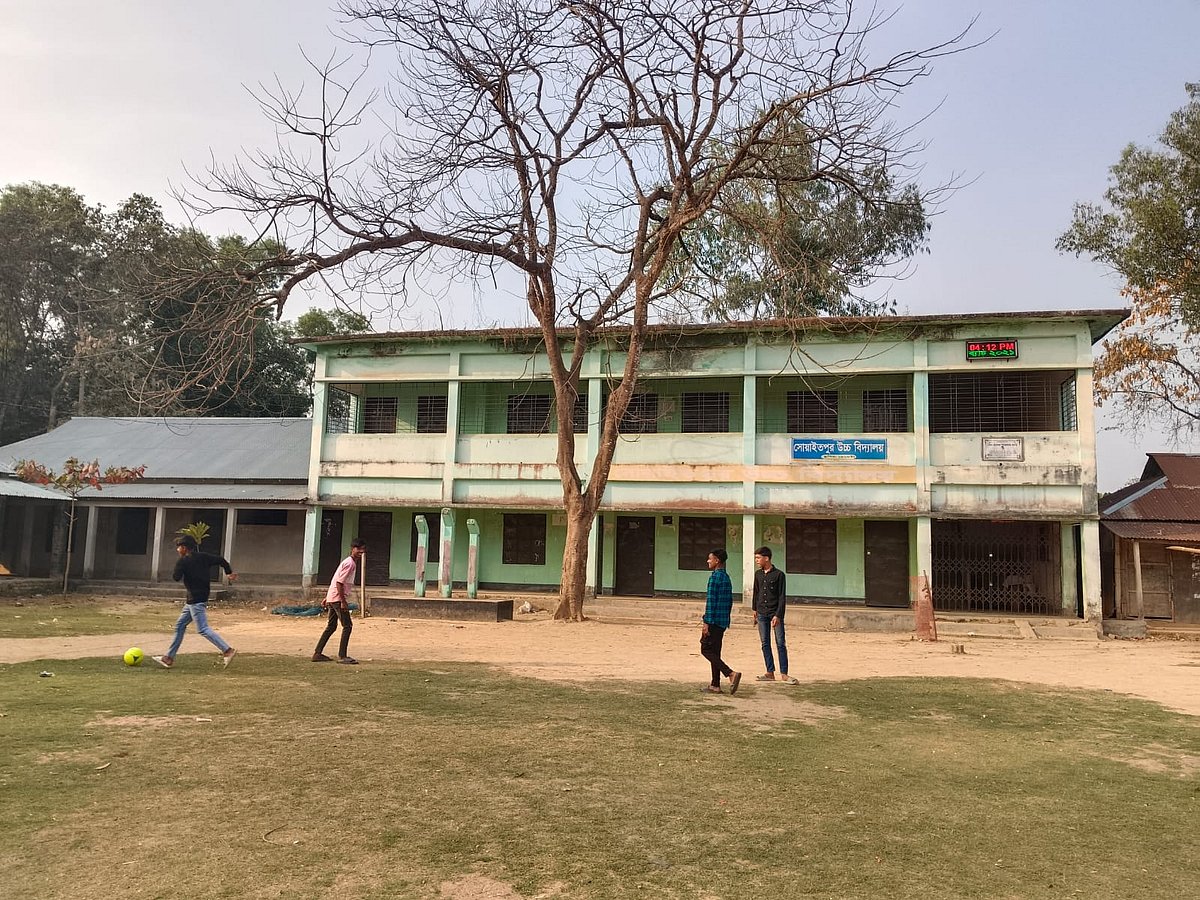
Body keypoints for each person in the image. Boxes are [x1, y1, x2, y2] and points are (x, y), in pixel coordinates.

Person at [153, 535, 238, 669]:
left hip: (195, 599)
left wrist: (180, 564)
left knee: (203, 629)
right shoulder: (204, 557)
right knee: (180, 625)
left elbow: (176, 577)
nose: (177, 550)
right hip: (199, 597)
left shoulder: (183, 561)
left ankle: (227, 650)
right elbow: (221, 560)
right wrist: (228, 572)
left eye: (179, 548)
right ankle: (168, 658)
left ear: (184, 548)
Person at [312, 538, 366, 665]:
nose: (361, 552)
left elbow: (335, 579)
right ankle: (342, 656)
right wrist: (343, 601)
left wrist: (328, 597)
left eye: (363, 549)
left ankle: (317, 653)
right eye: (358, 549)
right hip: (337, 598)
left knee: (331, 626)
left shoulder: (348, 562)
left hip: (333, 597)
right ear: (353, 549)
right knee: (347, 626)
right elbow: (339, 582)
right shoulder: (350, 563)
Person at [752, 546, 797, 684]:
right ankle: (769, 672)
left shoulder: (779, 575)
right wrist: (754, 610)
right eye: (756, 558)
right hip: (761, 613)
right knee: (765, 643)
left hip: (775, 613)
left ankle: (784, 673)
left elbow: (782, 597)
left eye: (758, 558)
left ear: (766, 558)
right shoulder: (758, 574)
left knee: (780, 643)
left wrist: (778, 615)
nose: (756, 561)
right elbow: (756, 592)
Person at [700, 548, 741, 694]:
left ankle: (730, 673)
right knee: (715, 653)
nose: (708, 561)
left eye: (710, 558)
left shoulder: (714, 577)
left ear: (717, 560)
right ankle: (715, 685)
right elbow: (729, 601)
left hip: (713, 621)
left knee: (705, 649)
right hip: (723, 621)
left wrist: (706, 622)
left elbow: (711, 602)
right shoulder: (726, 577)